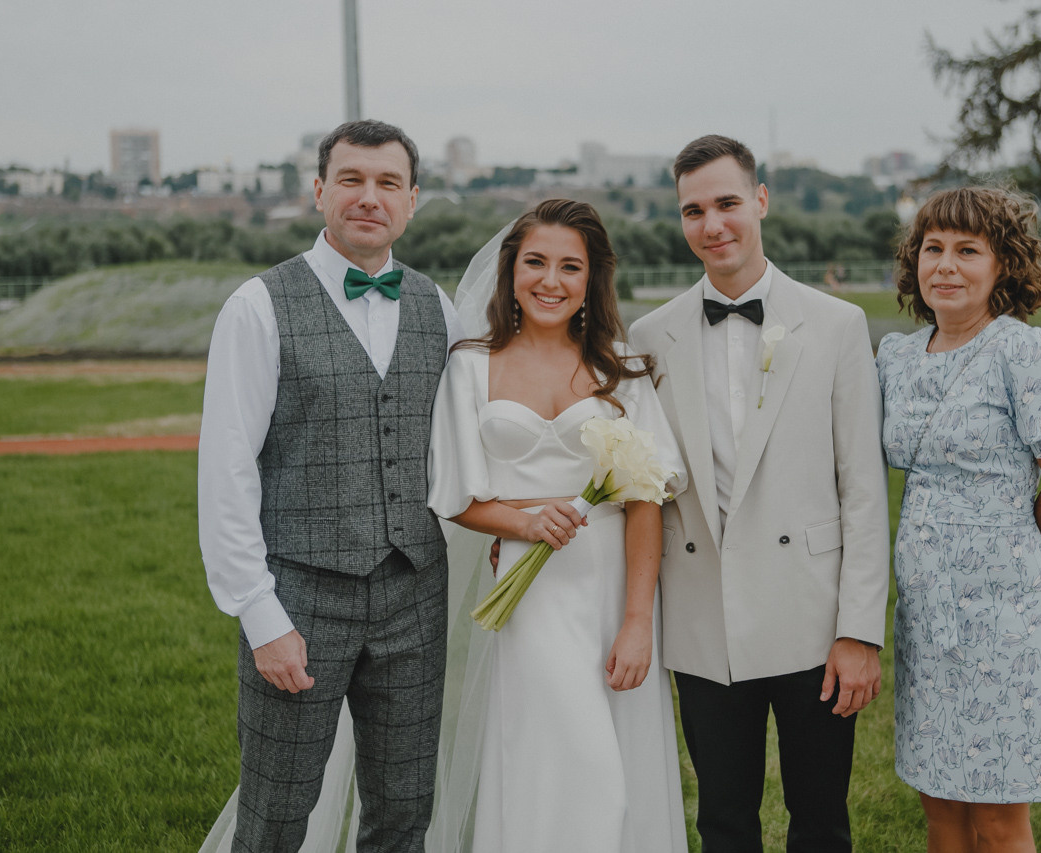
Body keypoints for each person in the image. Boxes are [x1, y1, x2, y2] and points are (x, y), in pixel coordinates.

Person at [197, 119, 463, 853]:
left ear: (412, 201)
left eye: (387, 183)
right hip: (300, 600)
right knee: (277, 816)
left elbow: (467, 444)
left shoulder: (438, 308)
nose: (368, 197)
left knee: (405, 810)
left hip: (415, 594)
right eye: (351, 179)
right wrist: (261, 614)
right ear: (320, 191)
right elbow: (226, 471)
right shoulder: (258, 306)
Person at [628, 134, 891, 852]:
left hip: (813, 619)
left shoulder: (837, 325)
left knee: (821, 823)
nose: (712, 225)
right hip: (703, 623)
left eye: (727, 203)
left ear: (761, 201)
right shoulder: (649, 337)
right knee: (724, 824)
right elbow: (634, 480)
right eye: (693, 210)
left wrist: (860, 630)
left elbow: (862, 490)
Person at [426, 198, 689, 853]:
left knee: (621, 769)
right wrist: (522, 518)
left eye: (570, 266)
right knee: (573, 765)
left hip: (611, 593)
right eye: (535, 262)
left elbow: (644, 500)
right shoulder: (470, 365)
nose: (550, 280)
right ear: (510, 271)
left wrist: (637, 621)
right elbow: (454, 494)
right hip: (530, 590)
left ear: (592, 279)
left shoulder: (620, 368)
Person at [876, 185, 1041, 852]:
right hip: (926, 613)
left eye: (967, 250)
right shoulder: (897, 357)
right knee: (940, 803)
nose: (945, 264)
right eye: (933, 248)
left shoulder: (1022, 355)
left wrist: (1025, 544)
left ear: (1003, 265)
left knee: (998, 816)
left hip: (1004, 616)